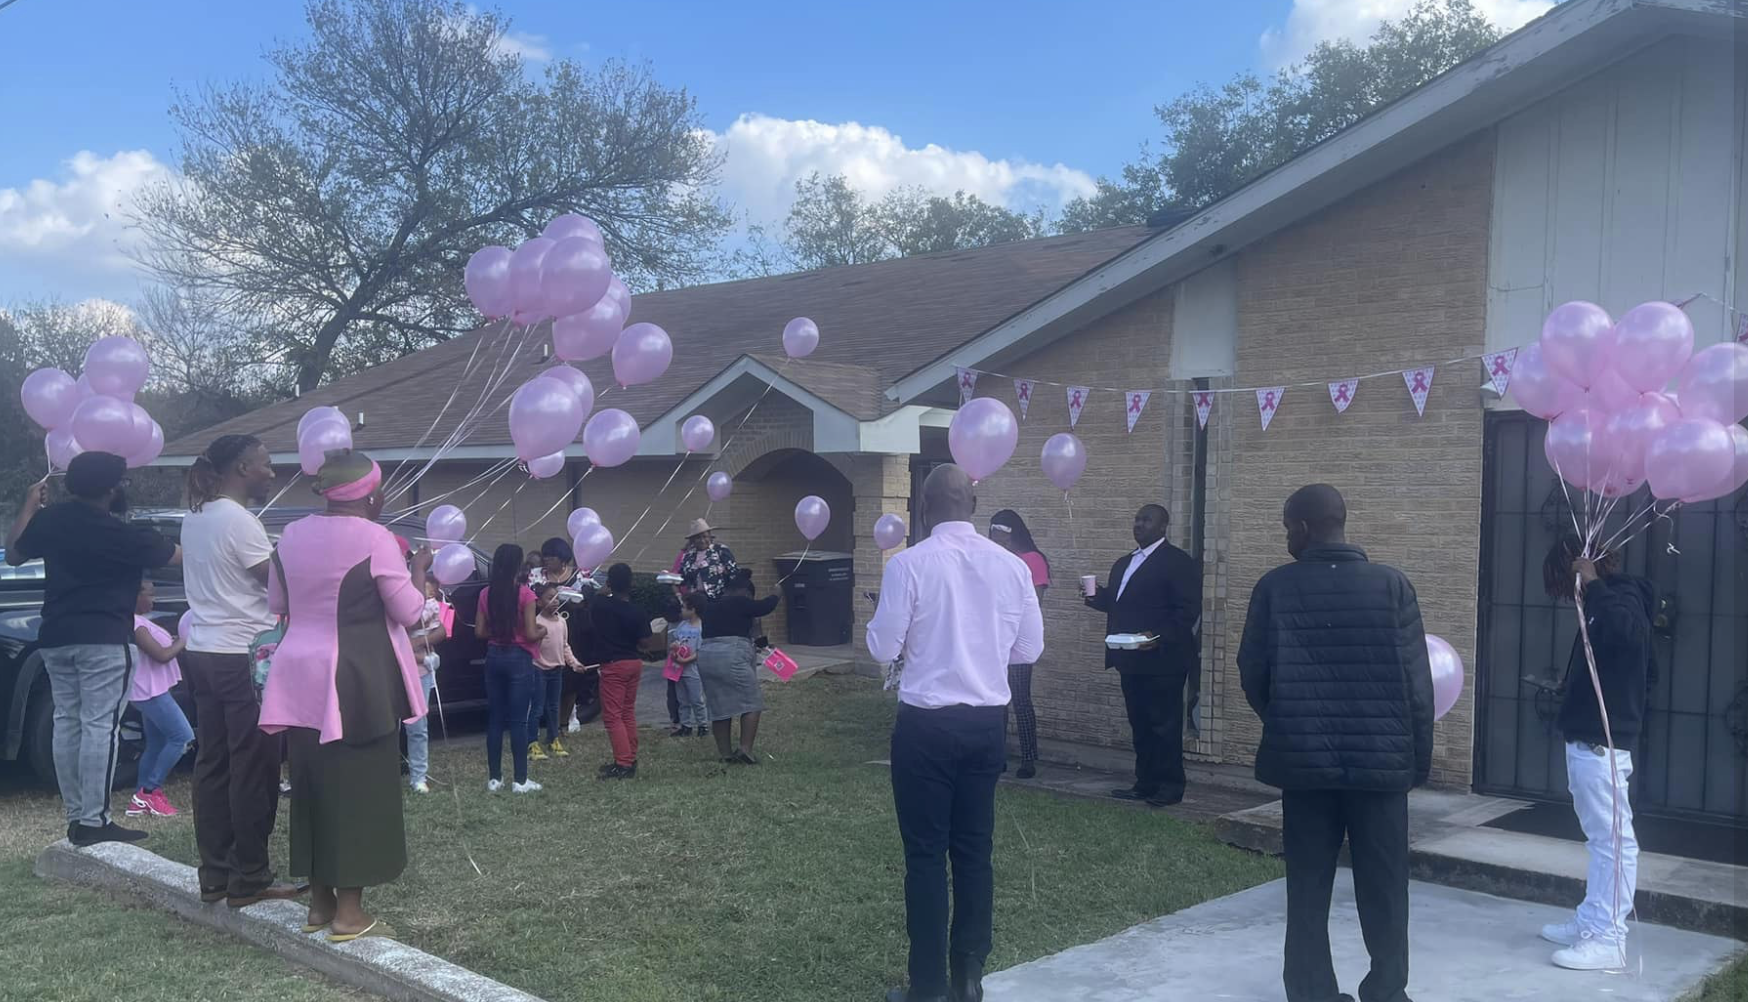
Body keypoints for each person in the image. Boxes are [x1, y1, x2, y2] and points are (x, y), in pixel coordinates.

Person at [1237, 484, 1432, 1002]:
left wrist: (1287, 719)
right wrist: (1418, 764)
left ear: (1303, 528)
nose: (1285, 538)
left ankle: (1310, 992)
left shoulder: (1275, 587)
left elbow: (1252, 672)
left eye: (1286, 528)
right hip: (1383, 764)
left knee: (1307, 884)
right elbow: (1419, 685)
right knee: (1386, 885)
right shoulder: (1393, 586)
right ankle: (1388, 992)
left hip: (1305, 765)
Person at [867, 465, 1044, 1002]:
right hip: (987, 723)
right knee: (974, 851)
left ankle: (927, 987)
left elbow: (881, 648)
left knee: (925, 856)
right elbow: (1030, 650)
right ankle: (969, 980)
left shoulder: (909, 565)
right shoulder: (1012, 566)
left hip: (925, 724)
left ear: (923, 509)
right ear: (973, 502)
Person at [260, 450, 432, 942]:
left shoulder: (290, 535)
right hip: (357, 676)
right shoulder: (376, 538)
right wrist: (418, 570)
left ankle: (319, 903)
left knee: (312, 786)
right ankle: (350, 915)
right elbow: (407, 610)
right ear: (372, 496)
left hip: (298, 674)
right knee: (359, 789)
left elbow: (277, 602)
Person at [6, 453, 179, 847]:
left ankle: (76, 817)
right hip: (104, 639)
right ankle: (95, 821)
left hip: (54, 636)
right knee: (101, 726)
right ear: (111, 488)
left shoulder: (50, 521)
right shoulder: (120, 533)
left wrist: (29, 507)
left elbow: (14, 554)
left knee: (68, 722)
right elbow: (177, 556)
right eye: (123, 482)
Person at [181, 433, 304, 906]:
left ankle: (215, 873)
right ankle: (250, 876)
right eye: (265, 464)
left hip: (204, 651)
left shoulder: (197, 517)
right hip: (244, 657)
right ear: (241, 468)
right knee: (254, 768)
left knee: (213, 764)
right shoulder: (240, 521)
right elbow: (276, 588)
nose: (271, 473)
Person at [1538, 536, 1653, 972]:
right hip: (1591, 739)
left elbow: (1626, 633)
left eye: (1569, 583)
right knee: (1601, 841)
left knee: (1614, 843)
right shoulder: (1609, 603)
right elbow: (1645, 672)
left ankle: (1609, 937)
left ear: (1584, 569)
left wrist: (1595, 583)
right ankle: (1591, 920)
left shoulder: (1619, 598)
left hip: (1601, 744)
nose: (1571, 595)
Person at [1084, 503, 1202, 807]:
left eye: (1146, 520)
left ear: (1163, 527)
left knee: (1164, 725)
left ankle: (1170, 787)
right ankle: (1145, 782)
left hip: (1164, 661)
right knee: (1140, 724)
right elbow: (1119, 604)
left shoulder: (1178, 562)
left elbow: (1187, 611)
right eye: (1136, 519)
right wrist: (1097, 597)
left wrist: (1158, 637)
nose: (1138, 524)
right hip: (1130, 658)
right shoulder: (1125, 563)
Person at [476, 543, 545, 793]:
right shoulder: (526, 595)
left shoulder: (486, 593)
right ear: (517, 566)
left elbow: (480, 631)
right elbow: (529, 632)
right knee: (518, 721)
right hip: (519, 658)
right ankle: (521, 780)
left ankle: (495, 778)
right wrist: (543, 630)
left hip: (494, 656)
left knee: (495, 719)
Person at [696, 568, 779, 765]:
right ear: (747, 593)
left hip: (706, 656)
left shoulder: (711, 606)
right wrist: (777, 594)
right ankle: (745, 750)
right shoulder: (741, 601)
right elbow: (765, 606)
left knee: (720, 708)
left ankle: (725, 754)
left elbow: (754, 631)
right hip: (731, 653)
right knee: (752, 702)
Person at [988, 509, 1049, 780]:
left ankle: (1028, 758)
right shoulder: (993, 559)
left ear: (1012, 533)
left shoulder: (1032, 560)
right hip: (993, 639)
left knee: (1020, 699)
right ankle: (996, 755)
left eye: (999, 533)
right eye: (992, 533)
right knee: (996, 702)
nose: (995, 538)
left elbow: (1035, 602)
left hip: (1019, 640)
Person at [127, 580, 193, 818]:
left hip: (152, 690)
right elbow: (161, 655)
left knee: (155, 744)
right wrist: (183, 641)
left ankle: (139, 800)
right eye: (150, 594)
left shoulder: (141, 622)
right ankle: (149, 790)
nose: (153, 600)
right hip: (150, 692)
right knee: (182, 737)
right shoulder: (135, 625)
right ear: (135, 596)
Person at [589, 563, 657, 779]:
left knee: (612, 716)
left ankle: (623, 763)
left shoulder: (600, 604)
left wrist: (605, 589)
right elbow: (646, 643)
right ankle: (630, 756)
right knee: (627, 712)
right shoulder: (638, 611)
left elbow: (596, 596)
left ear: (609, 582)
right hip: (633, 663)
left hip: (612, 665)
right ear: (632, 584)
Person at [405, 576, 450, 793]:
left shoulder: (430, 605)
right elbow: (408, 621)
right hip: (395, 668)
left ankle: (418, 776)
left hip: (420, 671)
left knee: (418, 726)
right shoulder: (397, 601)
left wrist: (421, 642)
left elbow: (441, 630)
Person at [530, 581, 582, 758]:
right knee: (537, 707)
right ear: (538, 602)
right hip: (538, 670)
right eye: (549, 598)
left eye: (556, 598)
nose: (554, 601)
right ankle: (532, 743)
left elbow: (565, 646)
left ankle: (553, 739)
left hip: (557, 671)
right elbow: (531, 647)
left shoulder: (561, 622)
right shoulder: (536, 623)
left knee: (553, 707)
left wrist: (574, 663)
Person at [667, 593, 709, 736]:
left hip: (693, 670)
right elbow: (677, 641)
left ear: (694, 609)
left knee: (697, 699)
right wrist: (674, 648)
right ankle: (686, 725)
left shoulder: (701, 628)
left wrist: (686, 660)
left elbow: (700, 651)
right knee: (682, 699)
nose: (682, 610)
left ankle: (703, 725)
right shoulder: (682, 626)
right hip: (678, 669)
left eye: (684, 607)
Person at [675, 518, 738, 598]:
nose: (702, 540)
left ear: (710, 537)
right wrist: (669, 578)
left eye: (705, 537)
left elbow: (734, 574)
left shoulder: (720, 550)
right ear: (693, 540)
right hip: (696, 598)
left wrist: (730, 595)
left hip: (719, 598)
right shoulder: (688, 555)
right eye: (698, 538)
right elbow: (683, 578)